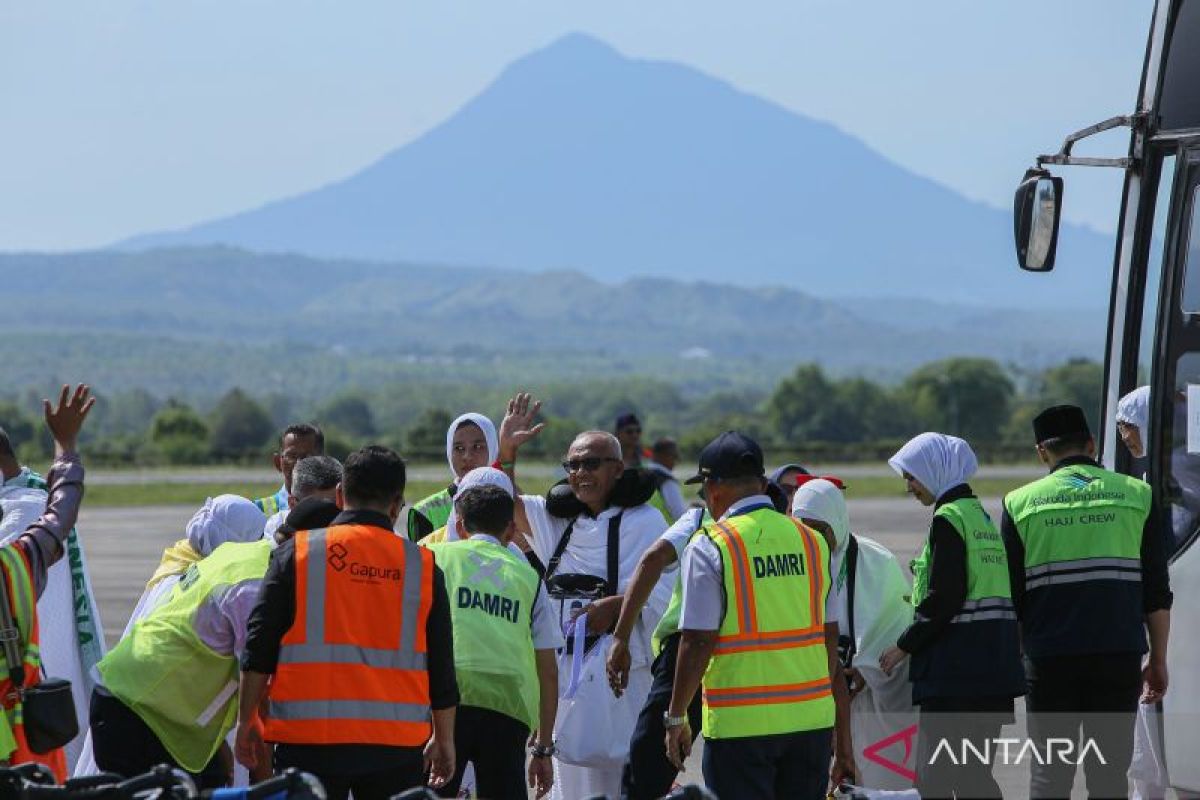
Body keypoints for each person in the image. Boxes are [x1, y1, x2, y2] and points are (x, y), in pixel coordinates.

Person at [236, 445, 458, 800]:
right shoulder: (423, 566)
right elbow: (442, 665)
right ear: (397, 504)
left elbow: (258, 646)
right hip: (395, 746)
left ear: (340, 495)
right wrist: (444, 738)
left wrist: (246, 720)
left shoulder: (296, 552)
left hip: (309, 741)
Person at [662, 432, 855, 799]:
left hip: (742, 726)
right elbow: (830, 634)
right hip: (810, 721)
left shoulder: (711, 544)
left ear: (713, 488)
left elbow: (698, 639)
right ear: (763, 484)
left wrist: (675, 717)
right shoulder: (811, 541)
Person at [1000, 405, 1172, 799]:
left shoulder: (1019, 503)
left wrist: (1016, 663)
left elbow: (1013, 598)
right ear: (1092, 445)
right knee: (1109, 776)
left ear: (1042, 451)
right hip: (1118, 657)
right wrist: (1157, 660)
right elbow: (1156, 592)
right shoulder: (1137, 495)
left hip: (1048, 662)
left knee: (1049, 776)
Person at [508, 426, 669, 800]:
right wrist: (508, 450)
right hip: (568, 682)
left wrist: (617, 606)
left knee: (624, 776)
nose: (580, 473)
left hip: (623, 680)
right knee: (569, 781)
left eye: (591, 463)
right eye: (573, 464)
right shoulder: (558, 524)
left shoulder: (646, 523)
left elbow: (668, 591)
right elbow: (506, 504)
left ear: (618, 468)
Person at [879, 432, 1024, 800]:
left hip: (958, 676)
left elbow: (945, 597)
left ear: (934, 470)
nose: (909, 486)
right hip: (991, 672)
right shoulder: (978, 517)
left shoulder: (948, 519)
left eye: (912, 476)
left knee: (937, 779)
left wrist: (903, 647)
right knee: (973, 777)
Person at [427, 485, 562, 799]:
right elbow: (548, 671)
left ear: (459, 526)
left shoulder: (433, 557)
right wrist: (543, 749)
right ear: (511, 530)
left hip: (445, 702)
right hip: (509, 706)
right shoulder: (529, 578)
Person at [791, 478, 916, 791]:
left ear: (837, 521)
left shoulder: (876, 561)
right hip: (813, 694)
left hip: (869, 695)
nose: (814, 539)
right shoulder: (793, 563)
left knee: (873, 777)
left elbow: (895, 624)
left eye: (820, 529)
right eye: (804, 530)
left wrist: (866, 665)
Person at [0, 422, 106, 772]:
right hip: (25, 734)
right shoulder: (17, 558)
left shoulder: (20, 515)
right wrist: (66, 446)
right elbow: (59, 517)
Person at [123, 495, 267, 638]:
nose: (261, 545)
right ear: (231, 541)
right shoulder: (194, 585)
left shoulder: (180, 561)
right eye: (258, 538)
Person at [406, 413, 498, 541]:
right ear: (449, 451)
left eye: (477, 447)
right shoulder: (424, 512)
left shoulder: (514, 506)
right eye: (459, 448)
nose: (467, 456)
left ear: (493, 448)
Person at [262, 455, 342, 541]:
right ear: (292, 504)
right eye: (317, 509)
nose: (330, 515)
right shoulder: (277, 525)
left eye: (338, 506)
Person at [252, 424, 325, 517]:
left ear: (324, 463)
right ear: (278, 462)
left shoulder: (336, 509)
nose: (299, 463)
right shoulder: (257, 511)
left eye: (308, 457)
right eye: (292, 456)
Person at [646, 438, 688, 522]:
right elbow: (681, 516)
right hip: (664, 532)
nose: (677, 460)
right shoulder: (667, 481)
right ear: (661, 455)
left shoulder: (642, 474)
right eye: (674, 456)